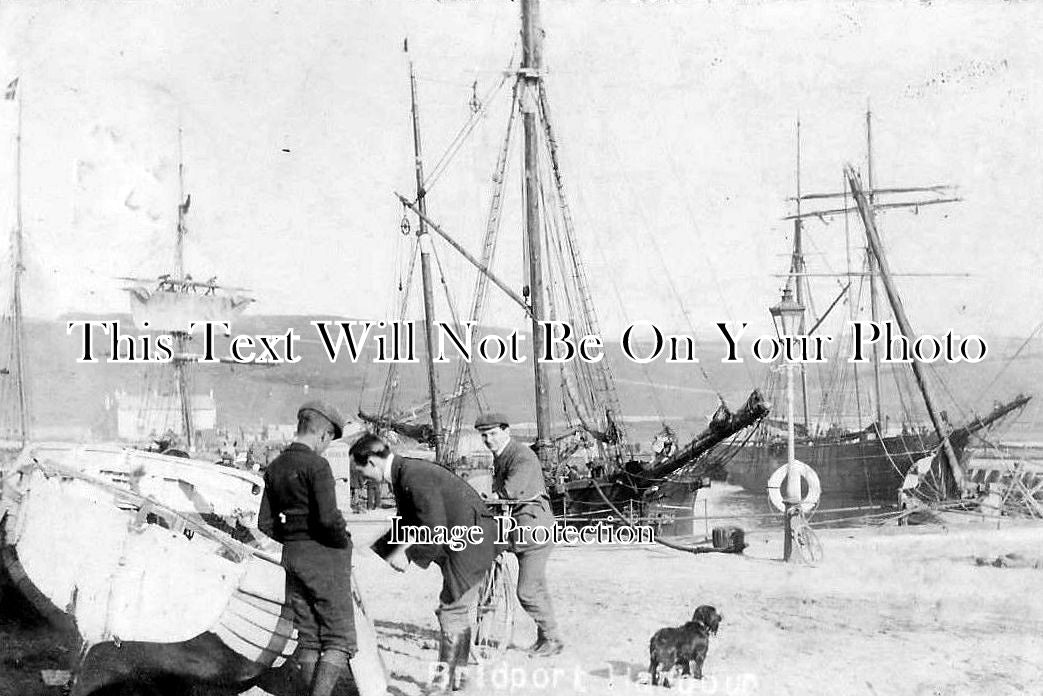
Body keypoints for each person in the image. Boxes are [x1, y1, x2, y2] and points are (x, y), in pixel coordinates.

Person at [349, 433, 499, 691]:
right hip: (469, 540)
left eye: (361, 472)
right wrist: (375, 548)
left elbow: (433, 525)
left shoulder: (411, 475)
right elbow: (409, 520)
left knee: (451, 611)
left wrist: (407, 555)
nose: (362, 480)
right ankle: (459, 678)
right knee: (456, 611)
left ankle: (442, 685)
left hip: (472, 543)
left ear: (373, 462)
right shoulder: (405, 472)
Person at [258, 400, 355, 696]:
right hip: (324, 558)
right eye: (329, 441)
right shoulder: (318, 465)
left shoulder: (275, 467)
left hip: (292, 558)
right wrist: (343, 540)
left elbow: (264, 523)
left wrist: (292, 537)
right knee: (340, 639)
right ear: (324, 435)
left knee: (310, 637)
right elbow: (328, 519)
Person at [474, 412, 563, 657]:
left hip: (534, 530)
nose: (489, 439)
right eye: (484, 435)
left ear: (506, 431)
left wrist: (485, 497)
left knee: (527, 591)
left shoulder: (521, 456)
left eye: (493, 434)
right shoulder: (502, 456)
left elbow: (510, 491)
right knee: (536, 587)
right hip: (520, 529)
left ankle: (553, 639)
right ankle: (546, 638)